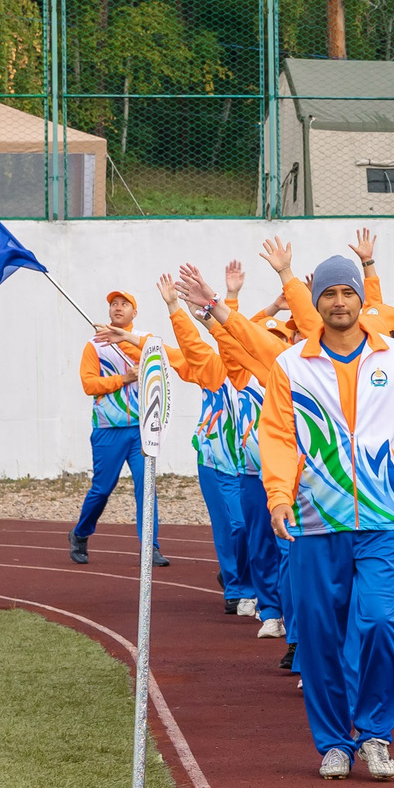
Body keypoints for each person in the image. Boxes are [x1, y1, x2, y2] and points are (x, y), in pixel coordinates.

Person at [258, 253, 394, 781]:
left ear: (360, 300)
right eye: (328, 294)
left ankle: (375, 733)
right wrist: (279, 496)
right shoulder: (292, 364)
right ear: (316, 302)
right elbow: (276, 436)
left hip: (388, 517)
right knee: (319, 634)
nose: (339, 302)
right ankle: (333, 742)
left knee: (382, 621)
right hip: (316, 519)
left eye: (347, 293)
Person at [180, 256, 295, 654]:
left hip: (289, 478)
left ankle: (289, 618)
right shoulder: (245, 372)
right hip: (249, 473)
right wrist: (208, 311)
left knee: (288, 547)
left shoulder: (293, 376)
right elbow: (231, 340)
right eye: (274, 338)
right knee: (260, 544)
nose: (278, 344)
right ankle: (270, 610)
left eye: (284, 338)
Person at [157, 275, 254, 617]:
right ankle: (236, 586)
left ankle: (243, 576)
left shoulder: (267, 372)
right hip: (217, 461)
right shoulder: (213, 370)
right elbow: (186, 346)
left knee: (253, 528)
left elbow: (239, 328)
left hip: (256, 468)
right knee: (234, 525)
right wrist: (175, 308)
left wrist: (233, 296)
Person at [70, 289, 168, 567]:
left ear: (134, 313)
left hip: (141, 429)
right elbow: (89, 385)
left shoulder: (145, 343)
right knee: (102, 489)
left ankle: (150, 546)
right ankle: (80, 534)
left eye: (125, 304)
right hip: (108, 428)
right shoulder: (95, 345)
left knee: (146, 487)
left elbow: (161, 375)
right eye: (114, 304)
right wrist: (123, 378)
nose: (118, 308)